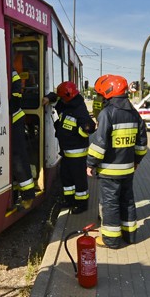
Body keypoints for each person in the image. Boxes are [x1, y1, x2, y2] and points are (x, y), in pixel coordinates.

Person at [86, 75, 147, 248]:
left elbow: (100, 144)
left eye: (101, 93)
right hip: (128, 169)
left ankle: (111, 240)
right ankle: (130, 235)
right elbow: (142, 144)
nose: (100, 97)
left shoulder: (108, 113)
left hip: (109, 171)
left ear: (108, 91)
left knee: (110, 203)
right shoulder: (134, 114)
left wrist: (90, 163)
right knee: (127, 200)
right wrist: (137, 161)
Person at [44, 81, 95, 213]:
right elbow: (55, 97)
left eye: (62, 97)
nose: (60, 99)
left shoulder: (79, 108)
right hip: (66, 151)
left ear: (67, 96)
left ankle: (82, 205)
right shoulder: (65, 103)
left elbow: (90, 127)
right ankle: (70, 200)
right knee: (66, 177)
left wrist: (80, 131)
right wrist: (48, 98)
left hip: (77, 153)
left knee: (79, 180)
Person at [10, 68, 36, 209]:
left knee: (17, 157)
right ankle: (13, 195)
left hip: (13, 117)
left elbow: (15, 96)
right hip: (3, 118)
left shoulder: (11, 71)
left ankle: (28, 195)